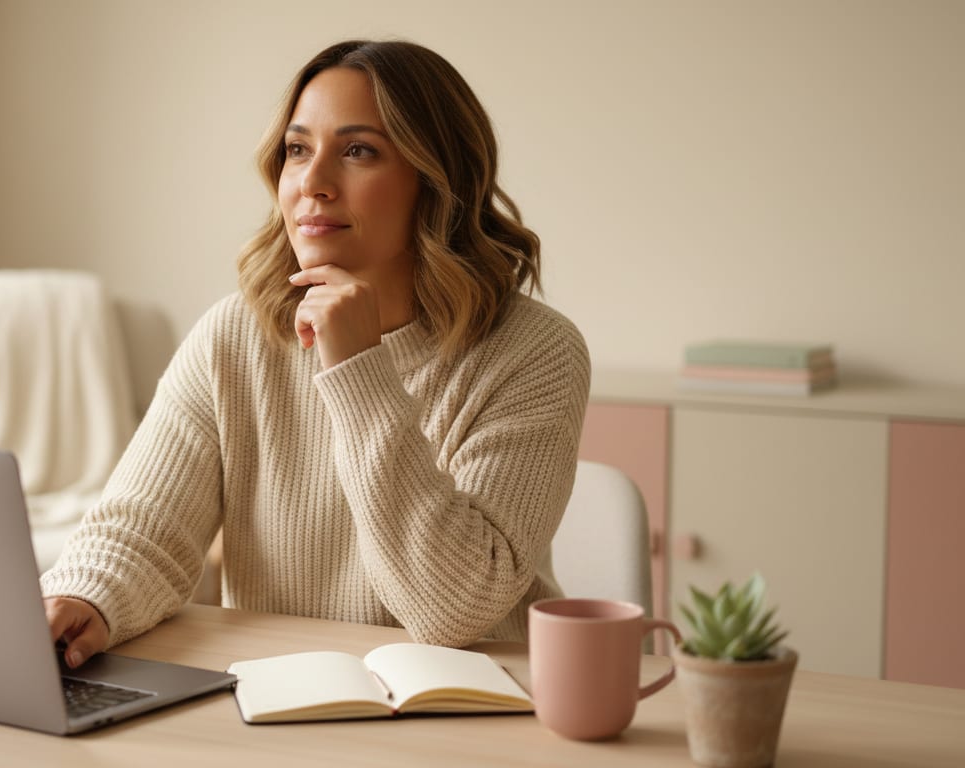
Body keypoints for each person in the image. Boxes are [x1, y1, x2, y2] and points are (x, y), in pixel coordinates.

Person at [42, 39, 589, 669]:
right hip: (279, 699)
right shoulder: (234, 336)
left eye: (359, 151)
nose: (313, 183)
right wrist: (84, 597)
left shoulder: (536, 352)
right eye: (298, 150)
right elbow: (143, 530)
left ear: (436, 182)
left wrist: (357, 369)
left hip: (467, 706)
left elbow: (454, 610)